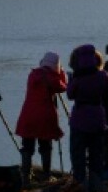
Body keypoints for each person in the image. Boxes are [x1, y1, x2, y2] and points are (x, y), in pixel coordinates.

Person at [67, 43, 108, 192]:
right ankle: (97, 184)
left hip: (80, 117)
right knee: (96, 153)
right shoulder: (103, 75)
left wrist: (71, 79)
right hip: (98, 116)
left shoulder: (77, 78)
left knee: (77, 153)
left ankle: (80, 184)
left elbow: (70, 95)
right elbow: (106, 91)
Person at [15, 51, 68, 184]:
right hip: (45, 116)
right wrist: (61, 72)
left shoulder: (33, 74)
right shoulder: (52, 78)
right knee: (45, 146)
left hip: (28, 115)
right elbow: (63, 87)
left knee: (27, 146)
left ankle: (25, 176)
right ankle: (46, 175)